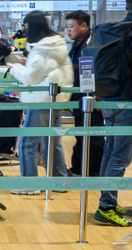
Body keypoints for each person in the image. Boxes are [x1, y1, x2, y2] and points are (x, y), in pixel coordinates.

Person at [92, 0, 132, 227]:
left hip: (108, 98)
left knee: (110, 152)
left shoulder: (112, 31)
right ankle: (106, 207)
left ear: (126, 6)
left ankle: (108, 199)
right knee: (121, 156)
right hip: (128, 100)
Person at [8, 11, 74, 194]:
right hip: (57, 101)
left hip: (41, 101)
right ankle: (60, 182)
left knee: (27, 143)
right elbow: (43, 70)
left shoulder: (40, 50)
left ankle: (30, 185)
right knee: (52, 142)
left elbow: (30, 77)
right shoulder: (55, 45)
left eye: (26, 26)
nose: (24, 29)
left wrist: (16, 68)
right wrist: (28, 63)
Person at [65, 10, 104, 175]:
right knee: (82, 133)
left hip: (90, 96)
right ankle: (80, 168)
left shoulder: (90, 43)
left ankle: (92, 171)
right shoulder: (79, 43)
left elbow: (90, 69)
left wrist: (96, 93)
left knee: (92, 135)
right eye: (67, 27)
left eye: (72, 26)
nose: (68, 30)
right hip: (81, 96)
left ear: (84, 25)